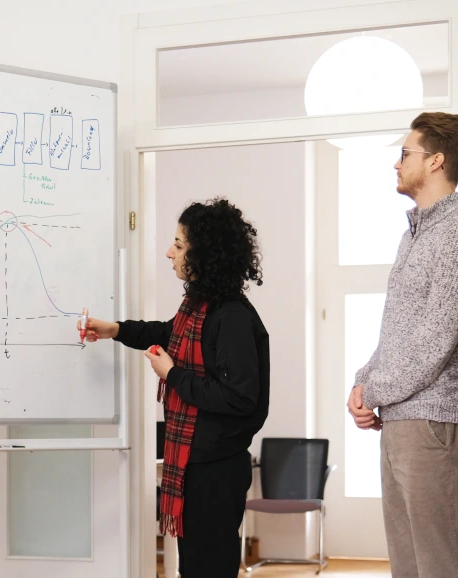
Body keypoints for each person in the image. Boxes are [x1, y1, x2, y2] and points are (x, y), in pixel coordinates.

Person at [80, 198, 269, 578]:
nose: (170, 253)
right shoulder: (199, 307)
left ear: (205, 254)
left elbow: (241, 398)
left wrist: (174, 376)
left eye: (179, 245)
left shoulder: (230, 316)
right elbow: (164, 333)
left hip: (217, 471)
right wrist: (115, 329)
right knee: (195, 568)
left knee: (208, 569)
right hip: (196, 466)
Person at [347, 112, 458, 578]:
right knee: (409, 568)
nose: (396, 164)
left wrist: (373, 393)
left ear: (436, 161)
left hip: (435, 420)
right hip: (403, 419)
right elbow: (398, 333)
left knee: (444, 567)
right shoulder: (414, 234)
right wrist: (362, 383)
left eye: (404, 153)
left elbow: (435, 340)